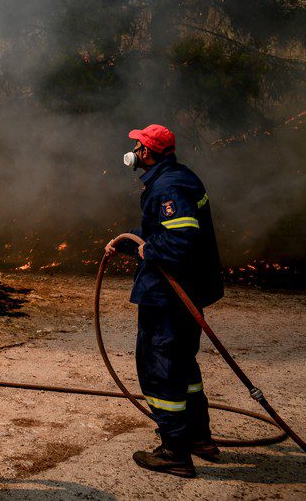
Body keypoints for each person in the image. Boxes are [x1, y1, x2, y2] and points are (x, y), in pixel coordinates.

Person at [105, 123, 224, 478]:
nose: (134, 151)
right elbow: (162, 230)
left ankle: (175, 451)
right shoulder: (175, 178)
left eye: (138, 145)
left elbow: (182, 240)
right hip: (182, 293)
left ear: (148, 152)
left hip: (171, 297)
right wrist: (127, 243)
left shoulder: (170, 186)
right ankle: (198, 438)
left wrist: (149, 248)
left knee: (160, 369)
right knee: (184, 368)